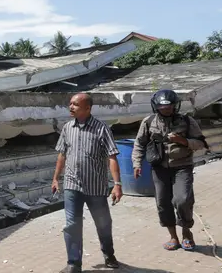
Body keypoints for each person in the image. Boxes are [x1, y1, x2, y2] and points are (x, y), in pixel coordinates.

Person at [52, 93, 122, 273]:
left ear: (88, 108)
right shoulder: (67, 127)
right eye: (70, 104)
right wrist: (55, 178)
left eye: (75, 104)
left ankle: (108, 253)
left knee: (103, 223)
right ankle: (74, 263)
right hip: (72, 185)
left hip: (95, 187)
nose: (71, 107)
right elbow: (62, 154)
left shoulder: (101, 129)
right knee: (71, 224)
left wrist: (117, 184)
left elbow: (111, 156)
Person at [132, 89, 206, 252]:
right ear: (156, 106)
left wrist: (182, 140)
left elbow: (201, 143)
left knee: (182, 199)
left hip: (182, 166)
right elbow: (139, 144)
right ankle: (173, 237)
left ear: (175, 106)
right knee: (163, 203)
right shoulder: (149, 121)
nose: (166, 109)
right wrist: (137, 164)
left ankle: (186, 232)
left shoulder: (187, 121)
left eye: (169, 106)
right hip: (159, 168)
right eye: (162, 107)